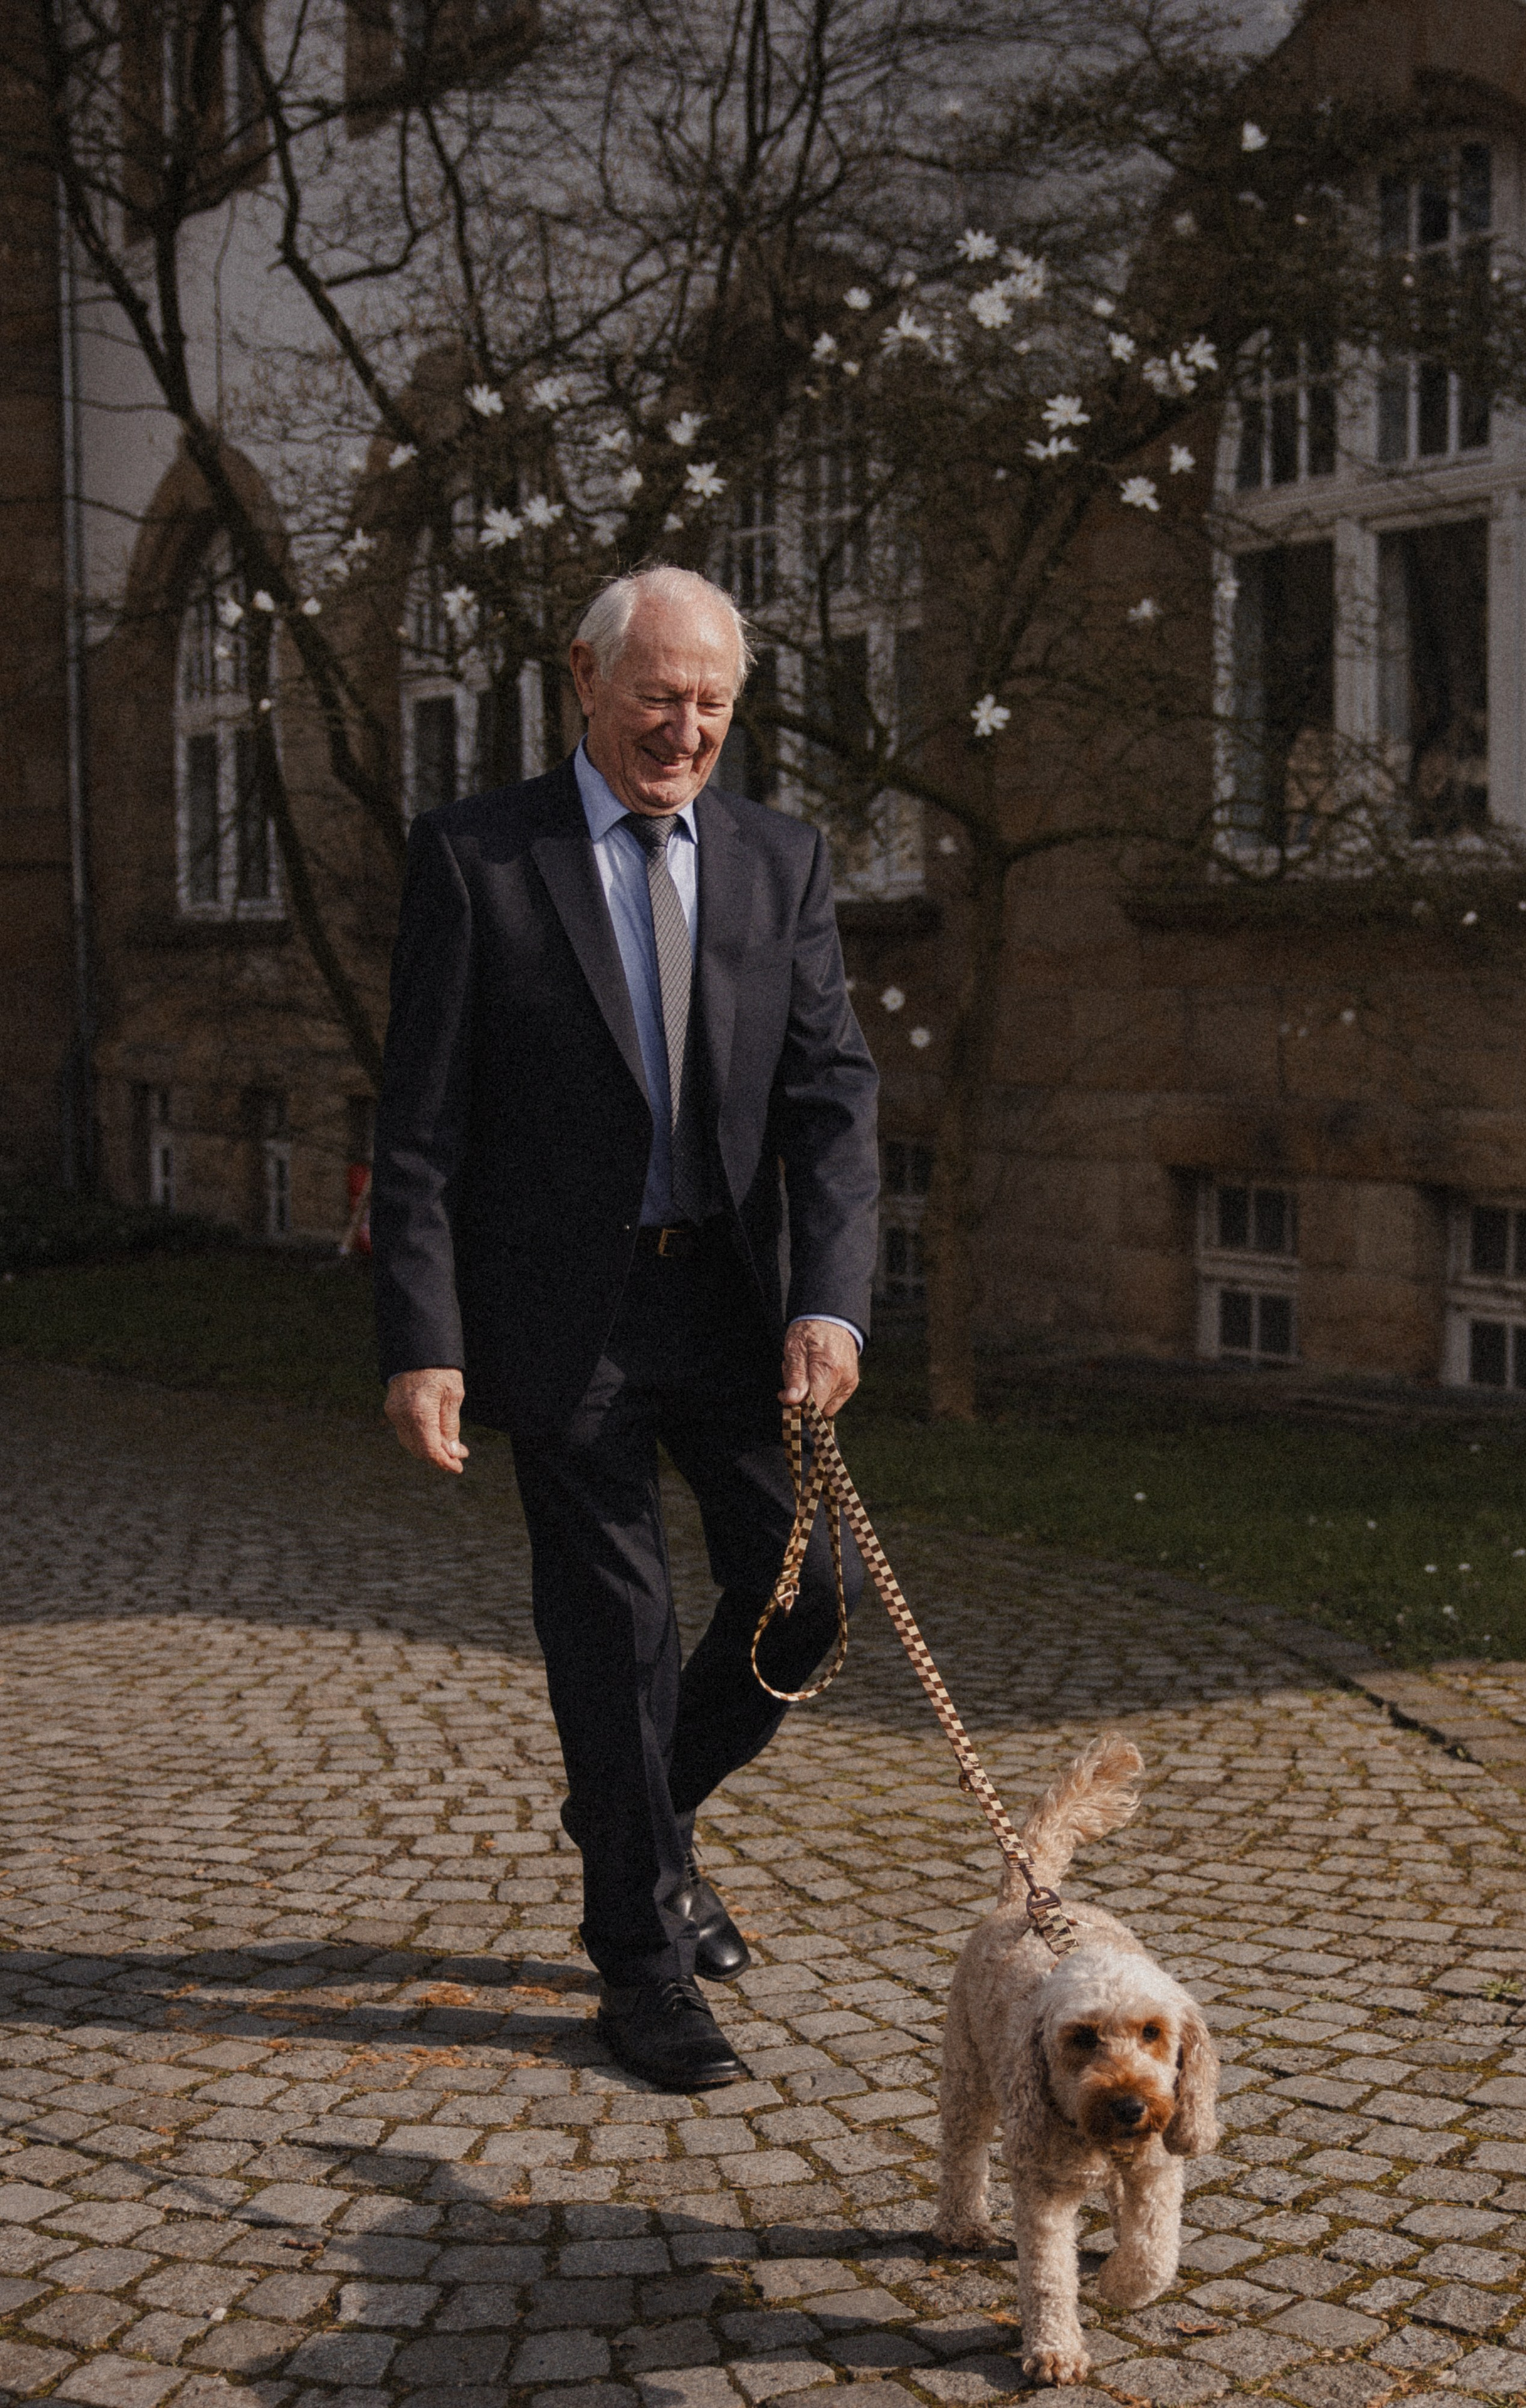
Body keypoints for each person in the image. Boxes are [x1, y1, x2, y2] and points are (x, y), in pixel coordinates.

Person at [372, 564, 879, 2091]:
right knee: (620, 1634)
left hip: (732, 1312)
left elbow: (830, 1099)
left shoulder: (778, 860)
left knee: (809, 1600)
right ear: (584, 680)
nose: (686, 728)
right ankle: (641, 1964)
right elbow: (420, 1128)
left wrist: (831, 1301)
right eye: (659, 694)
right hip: (562, 1320)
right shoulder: (479, 859)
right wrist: (423, 1335)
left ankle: (633, 1822)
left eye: (713, 702)